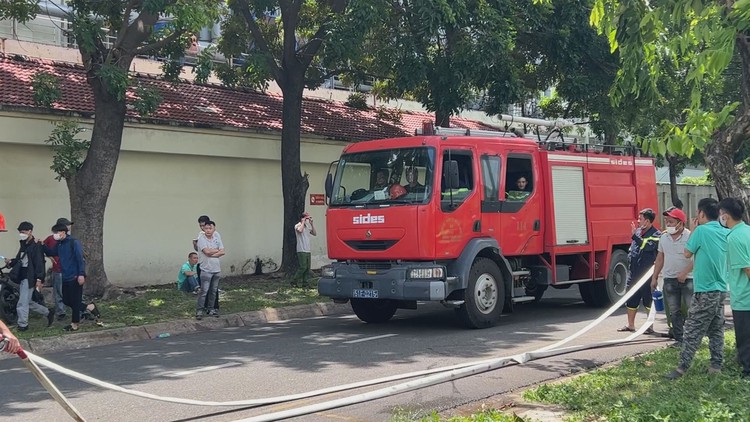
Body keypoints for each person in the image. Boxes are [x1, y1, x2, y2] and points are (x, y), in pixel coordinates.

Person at [666, 198, 728, 379]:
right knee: (716, 328)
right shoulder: (724, 231)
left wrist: (693, 230)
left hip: (705, 289)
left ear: (701, 214)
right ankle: (716, 365)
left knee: (693, 328)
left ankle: (682, 368)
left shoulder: (701, 231)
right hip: (720, 288)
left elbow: (687, 253)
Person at [44, 224, 100, 331]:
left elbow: (80, 259)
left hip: (75, 276)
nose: (55, 235)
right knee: (66, 300)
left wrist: (81, 274)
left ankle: (75, 324)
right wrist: (42, 245)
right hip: (65, 276)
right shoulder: (60, 244)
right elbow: (51, 252)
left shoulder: (73, 242)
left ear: (63, 232)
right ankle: (89, 307)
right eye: (54, 233)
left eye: (56, 232)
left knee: (75, 300)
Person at [651, 207, 693, 347]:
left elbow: (697, 258)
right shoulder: (663, 237)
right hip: (669, 279)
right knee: (674, 311)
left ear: (680, 223)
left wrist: (685, 273)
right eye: (666, 221)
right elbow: (660, 257)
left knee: (691, 309)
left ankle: (692, 339)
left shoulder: (690, 236)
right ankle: (679, 339)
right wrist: (654, 277)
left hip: (688, 279)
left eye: (671, 221)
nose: (668, 224)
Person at [718, 197, 750, 378]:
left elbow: (747, 268)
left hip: (744, 297)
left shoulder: (734, 238)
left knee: (745, 339)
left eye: (721, 214)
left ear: (726, 215)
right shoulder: (747, 230)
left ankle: (748, 372)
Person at [4, 222, 54, 331]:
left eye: (23, 232)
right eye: (20, 232)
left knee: (22, 302)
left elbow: (39, 263)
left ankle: (23, 325)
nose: (21, 234)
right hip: (22, 276)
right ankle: (48, 312)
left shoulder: (36, 245)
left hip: (29, 277)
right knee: (27, 301)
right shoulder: (23, 244)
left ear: (30, 231)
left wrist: (39, 279)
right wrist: (11, 262)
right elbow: (20, 260)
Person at [618, 208, 661, 333]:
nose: (638, 221)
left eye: (640, 219)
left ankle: (649, 326)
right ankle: (630, 325)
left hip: (646, 274)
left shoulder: (656, 235)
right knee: (631, 298)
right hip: (634, 272)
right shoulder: (637, 232)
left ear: (647, 221)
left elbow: (646, 246)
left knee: (648, 300)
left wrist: (634, 236)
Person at [43, 217, 73, 321]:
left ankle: (77, 309)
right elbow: (43, 247)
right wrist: (50, 257)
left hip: (68, 270)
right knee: (58, 291)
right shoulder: (51, 239)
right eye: (67, 225)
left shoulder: (69, 239)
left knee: (68, 291)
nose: (69, 227)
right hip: (57, 269)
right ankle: (60, 312)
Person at [195, 221, 224, 320]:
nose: (207, 230)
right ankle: (199, 310)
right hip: (206, 269)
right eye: (206, 228)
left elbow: (223, 251)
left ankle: (211, 309)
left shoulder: (216, 237)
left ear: (214, 229)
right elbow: (206, 252)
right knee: (204, 291)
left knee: (213, 291)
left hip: (216, 269)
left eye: (210, 228)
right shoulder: (201, 239)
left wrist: (213, 252)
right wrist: (216, 250)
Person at [291, 212, 317, 288]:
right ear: (302, 218)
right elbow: (300, 230)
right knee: (303, 267)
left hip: (307, 249)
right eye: (306, 218)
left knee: (307, 268)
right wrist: (302, 222)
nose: (307, 220)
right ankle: (294, 281)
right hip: (301, 249)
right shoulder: (298, 225)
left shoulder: (307, 226)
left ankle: (305, 283)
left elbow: (314, 233)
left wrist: (311, 224)